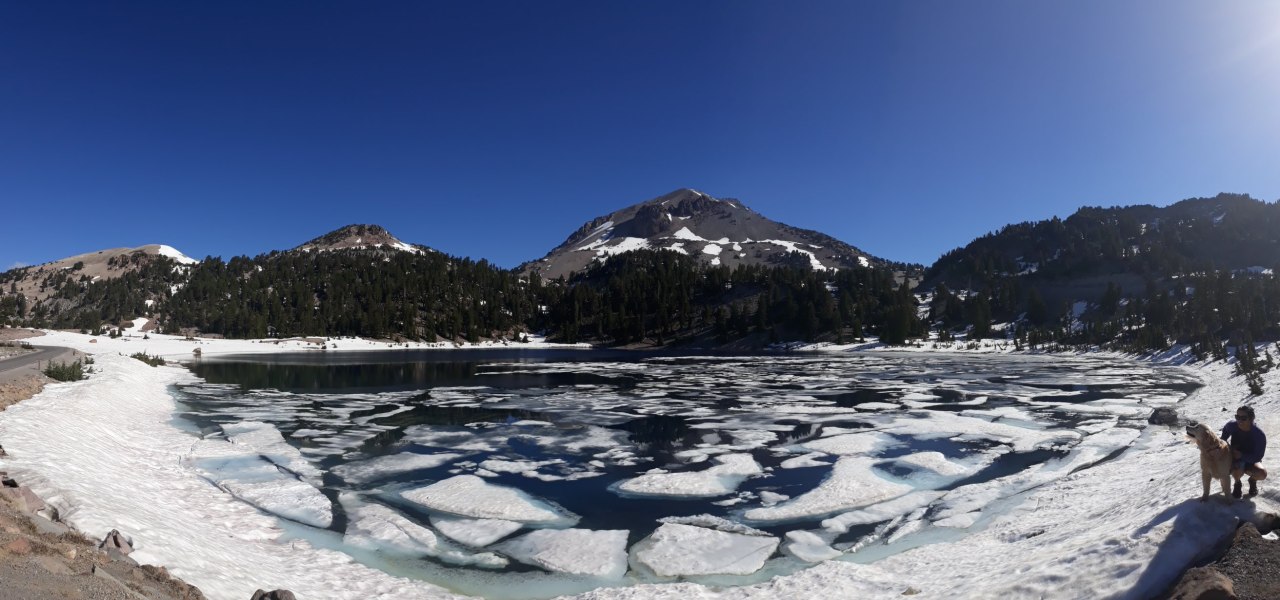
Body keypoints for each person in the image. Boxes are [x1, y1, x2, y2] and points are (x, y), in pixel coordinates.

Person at [1222, 405, 1268, 498]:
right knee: (1237, 468)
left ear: (1251, 419)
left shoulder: (1259, 435)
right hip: (1234, 458)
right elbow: (1223, 438)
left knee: (1262, 474)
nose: (1239, 420)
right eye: (1237, 417)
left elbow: (1258, 457)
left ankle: (1252, 480)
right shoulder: (1232, 425)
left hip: (1251, 460)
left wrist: (1242, 455)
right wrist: (1228, 448)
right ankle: (1237, 483)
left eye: (1243, 418)